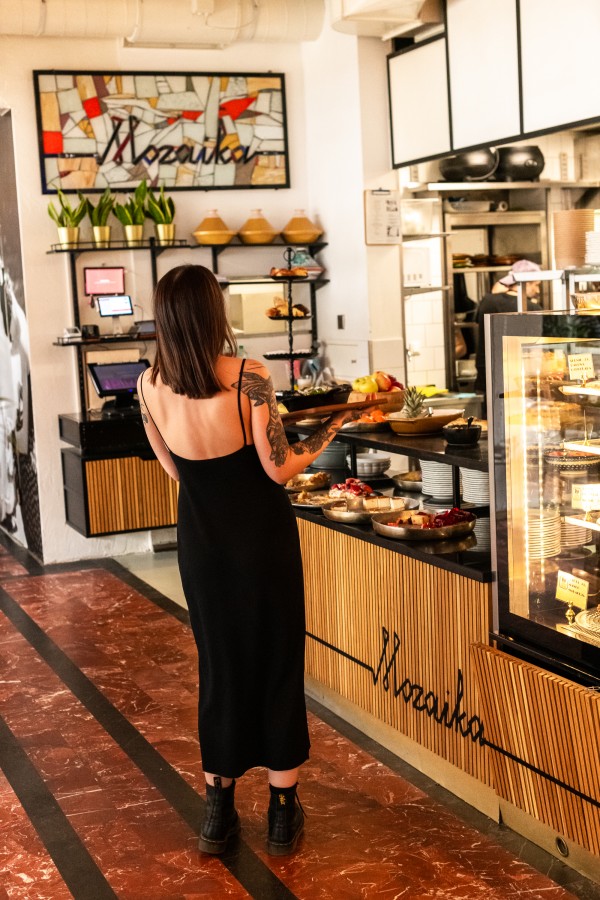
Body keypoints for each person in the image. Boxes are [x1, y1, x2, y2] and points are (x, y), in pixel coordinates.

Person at [137, 264, 368, 858]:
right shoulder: (249, 377)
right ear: (213, 313)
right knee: (276, 661)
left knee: (220, 665)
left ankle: (218, 813)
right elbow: (279, 467)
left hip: (201, 541)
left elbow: (174, 469)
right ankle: (282, 813)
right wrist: (336, 423)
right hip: (262, 541)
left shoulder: (147, 385)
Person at [474, 259, 542, 411]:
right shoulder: (532, 308)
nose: (538, 290)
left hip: (486, 379)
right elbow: (535, 350)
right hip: (516, 384)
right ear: (526, 282)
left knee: (489, 423)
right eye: (536, 285)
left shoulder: (487, 301)